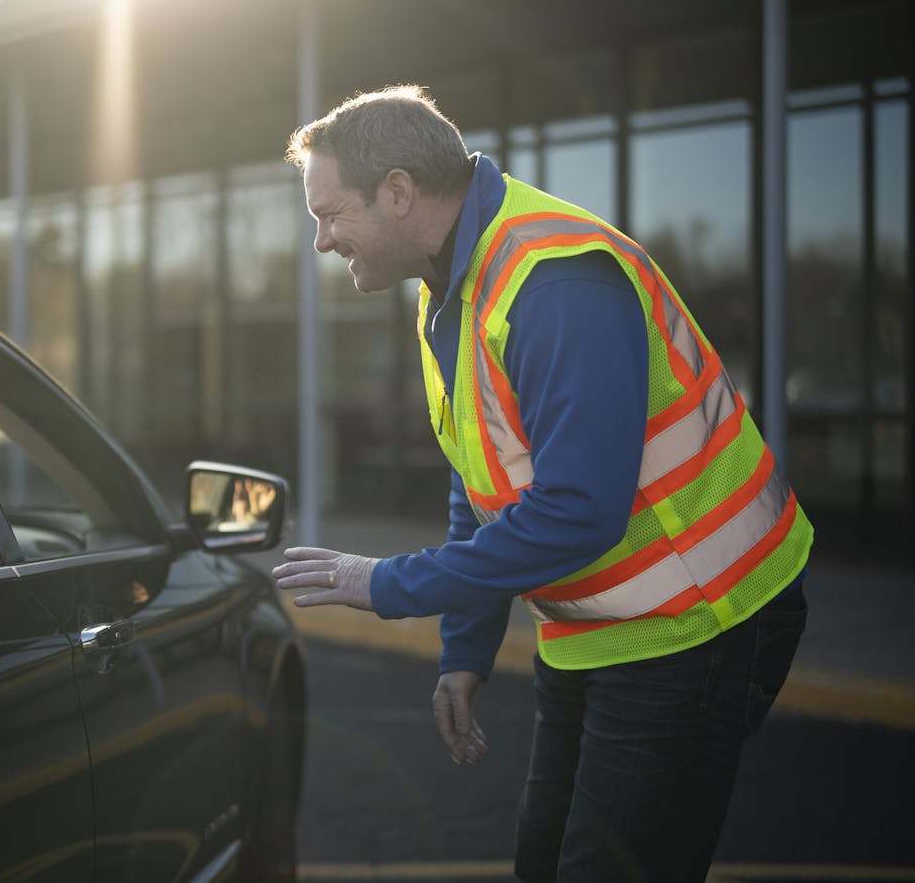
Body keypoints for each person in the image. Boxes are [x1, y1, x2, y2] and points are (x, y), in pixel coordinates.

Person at [272, 85, 811, 882]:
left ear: (397, 192)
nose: (320, 241)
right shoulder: (448, 286)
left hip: (699, 622)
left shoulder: (554, 282)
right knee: (544, 862)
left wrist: (385, 582)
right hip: (597, 628)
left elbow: (577, 513)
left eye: (330, 213)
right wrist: (467, 646)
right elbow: (484, 480)